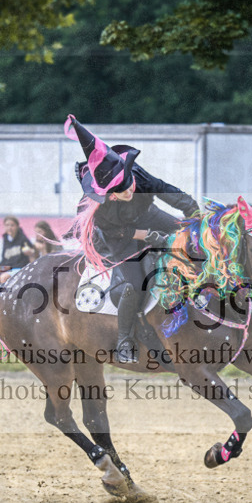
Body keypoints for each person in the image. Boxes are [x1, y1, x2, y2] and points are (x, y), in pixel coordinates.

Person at [64, 114, 199, 363]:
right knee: (134, 284)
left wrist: (192, 211)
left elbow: (164, 189)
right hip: (119, 237)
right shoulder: (98, 207)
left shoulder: (137, 176)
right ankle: (125, 339)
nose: (129, 191)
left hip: (147, 214)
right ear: (110, 195)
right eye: (121, 191)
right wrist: (146, 236)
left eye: (129, 184)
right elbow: (114, 232)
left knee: (192, 241)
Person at [0, 215, 36, 287]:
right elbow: (5, 259)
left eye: (12, 225)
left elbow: (32, 252)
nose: (9, 228)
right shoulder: (6, 238)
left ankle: (5, 294)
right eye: (7, 225)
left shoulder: (23, 239)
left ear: (17, 226)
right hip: (7, 266)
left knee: (3, 277)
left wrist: (30, 252)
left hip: (19, 267)